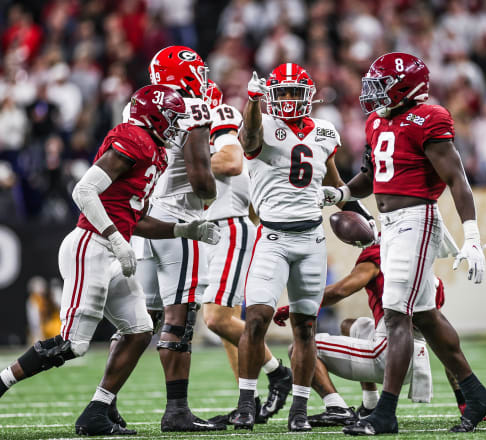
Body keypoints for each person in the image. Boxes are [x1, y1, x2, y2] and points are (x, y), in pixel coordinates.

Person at [0, 85, 219, 435]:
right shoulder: (133, 138)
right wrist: (117, 239)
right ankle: (2, 381)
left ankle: (97, 411)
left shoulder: (156, 153)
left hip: (111, 246)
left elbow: (137, 219)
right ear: (153, 116)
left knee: (139, 329)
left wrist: (184, 230)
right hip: (91, 244)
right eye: (171, 118)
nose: (176, 127)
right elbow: (83, 191)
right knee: (72, 345)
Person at [320, 52, 486, 434]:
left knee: (397, 314)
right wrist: (341, 194)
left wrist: (472, 236)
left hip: (418, 221)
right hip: (392, 224)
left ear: (405, 87)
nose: (373, 93)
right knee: (426, 316)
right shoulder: (377, 121)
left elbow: (457, 180)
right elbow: (371, 175)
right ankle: (475, 392)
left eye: (381, 84)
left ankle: (384, 413)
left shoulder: (428, 119)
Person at [233, 63, 374, 432]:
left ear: (309, 95)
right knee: (257, 319)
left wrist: (357, 210)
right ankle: (246, 404)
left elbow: (335, 180)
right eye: (283, 93)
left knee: (305, 329)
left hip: (311, 239)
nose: (291, 100)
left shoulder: (325, 131)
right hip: (273, 239)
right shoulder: (259, 123)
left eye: (297, 93)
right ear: (270, 97)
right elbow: (248, 141)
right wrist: (251, 101)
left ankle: (299, 409)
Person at [118, 46, 221, 432]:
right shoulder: (194, 106)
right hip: (181, 223)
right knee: (180, 319)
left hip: (147, 222)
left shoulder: (138, 105)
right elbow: (200, 178)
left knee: (137, 322)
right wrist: (211, 196)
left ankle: (104, 401)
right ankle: (177, 410)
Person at [273, 243, 475, 427]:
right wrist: (463, 398)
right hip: (412, 356)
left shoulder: (378, 255)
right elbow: (444, 342)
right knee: (350, 325)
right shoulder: (425, 272)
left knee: (300, 348)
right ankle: (370, 404)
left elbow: (340, 291)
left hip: (389, 355)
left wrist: (294, 308)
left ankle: (337, 408)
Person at [200, 80, 293, 425]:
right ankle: (248, 401)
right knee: (225, 327)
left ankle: (277, 372)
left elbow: (232, 161)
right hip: (217, 228)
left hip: (230, 226)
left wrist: (186, 166)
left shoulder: (218, 114)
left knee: (218, 320)